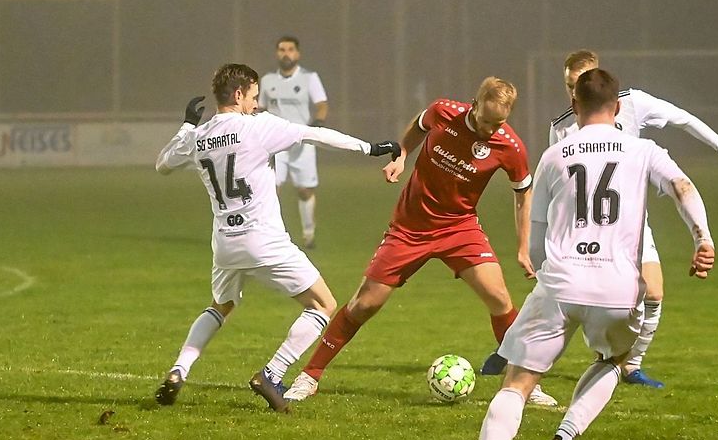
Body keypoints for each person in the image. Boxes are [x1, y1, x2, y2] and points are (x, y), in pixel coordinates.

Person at [449, 68, 715, 440]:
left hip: (561, 281)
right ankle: (564, 438)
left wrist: (541, 268)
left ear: (575, 106)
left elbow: (536, 239)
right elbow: (683, 187)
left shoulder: (555, 156)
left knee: (517, 382)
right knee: (613, 360)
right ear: (618, 109)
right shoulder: (642, 149)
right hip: (616, 287)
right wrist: (702, 238)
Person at [282, 76, 559, 407]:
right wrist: (401, 154)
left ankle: (524, 384)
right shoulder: (444, 112)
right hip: (410, 227)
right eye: (486, 121)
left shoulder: (510, 146)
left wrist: (522, 246)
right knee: (365, 304)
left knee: (499, 298)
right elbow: (419, 124)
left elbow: (522, 194)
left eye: (498, 123)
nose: (490, 130)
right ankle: (310, 376)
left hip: (460, 227)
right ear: (474, 104)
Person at [153, 63, 401, 413]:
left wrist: (187, 125)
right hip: (263, 239)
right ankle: (272, 373)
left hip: (225, 242)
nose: (257, 104)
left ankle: (179, 369)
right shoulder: (258, 127)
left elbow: (163, 163)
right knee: (323, 305)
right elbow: (316, 135)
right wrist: (371, 148)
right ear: (238, 95)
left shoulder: (201, 136)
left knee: (221, 305)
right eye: (253, 97)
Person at [546, 49, 718, 388]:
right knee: (583, 301)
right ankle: (537, 367)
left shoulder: (632, 103)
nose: (573, 92)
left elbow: (682, 118)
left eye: (578, 84)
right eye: (568, 86)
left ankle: (630, 366)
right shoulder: (562, 127)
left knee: (653, 294)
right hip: (588, 230)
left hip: (633, 222)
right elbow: (560, 187)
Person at [259, 36, 329, 249]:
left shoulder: (309, 78)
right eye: (281, 49)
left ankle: (308, 234)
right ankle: (269, 235)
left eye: (290, 49)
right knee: (272, 189)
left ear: (297, 54)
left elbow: (321, 104)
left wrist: (317, 123)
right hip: (276, 143)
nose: (286, 53)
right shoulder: (267, 80)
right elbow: (260, 108)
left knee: (304, 190)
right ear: (276, 53)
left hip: (302, 142)